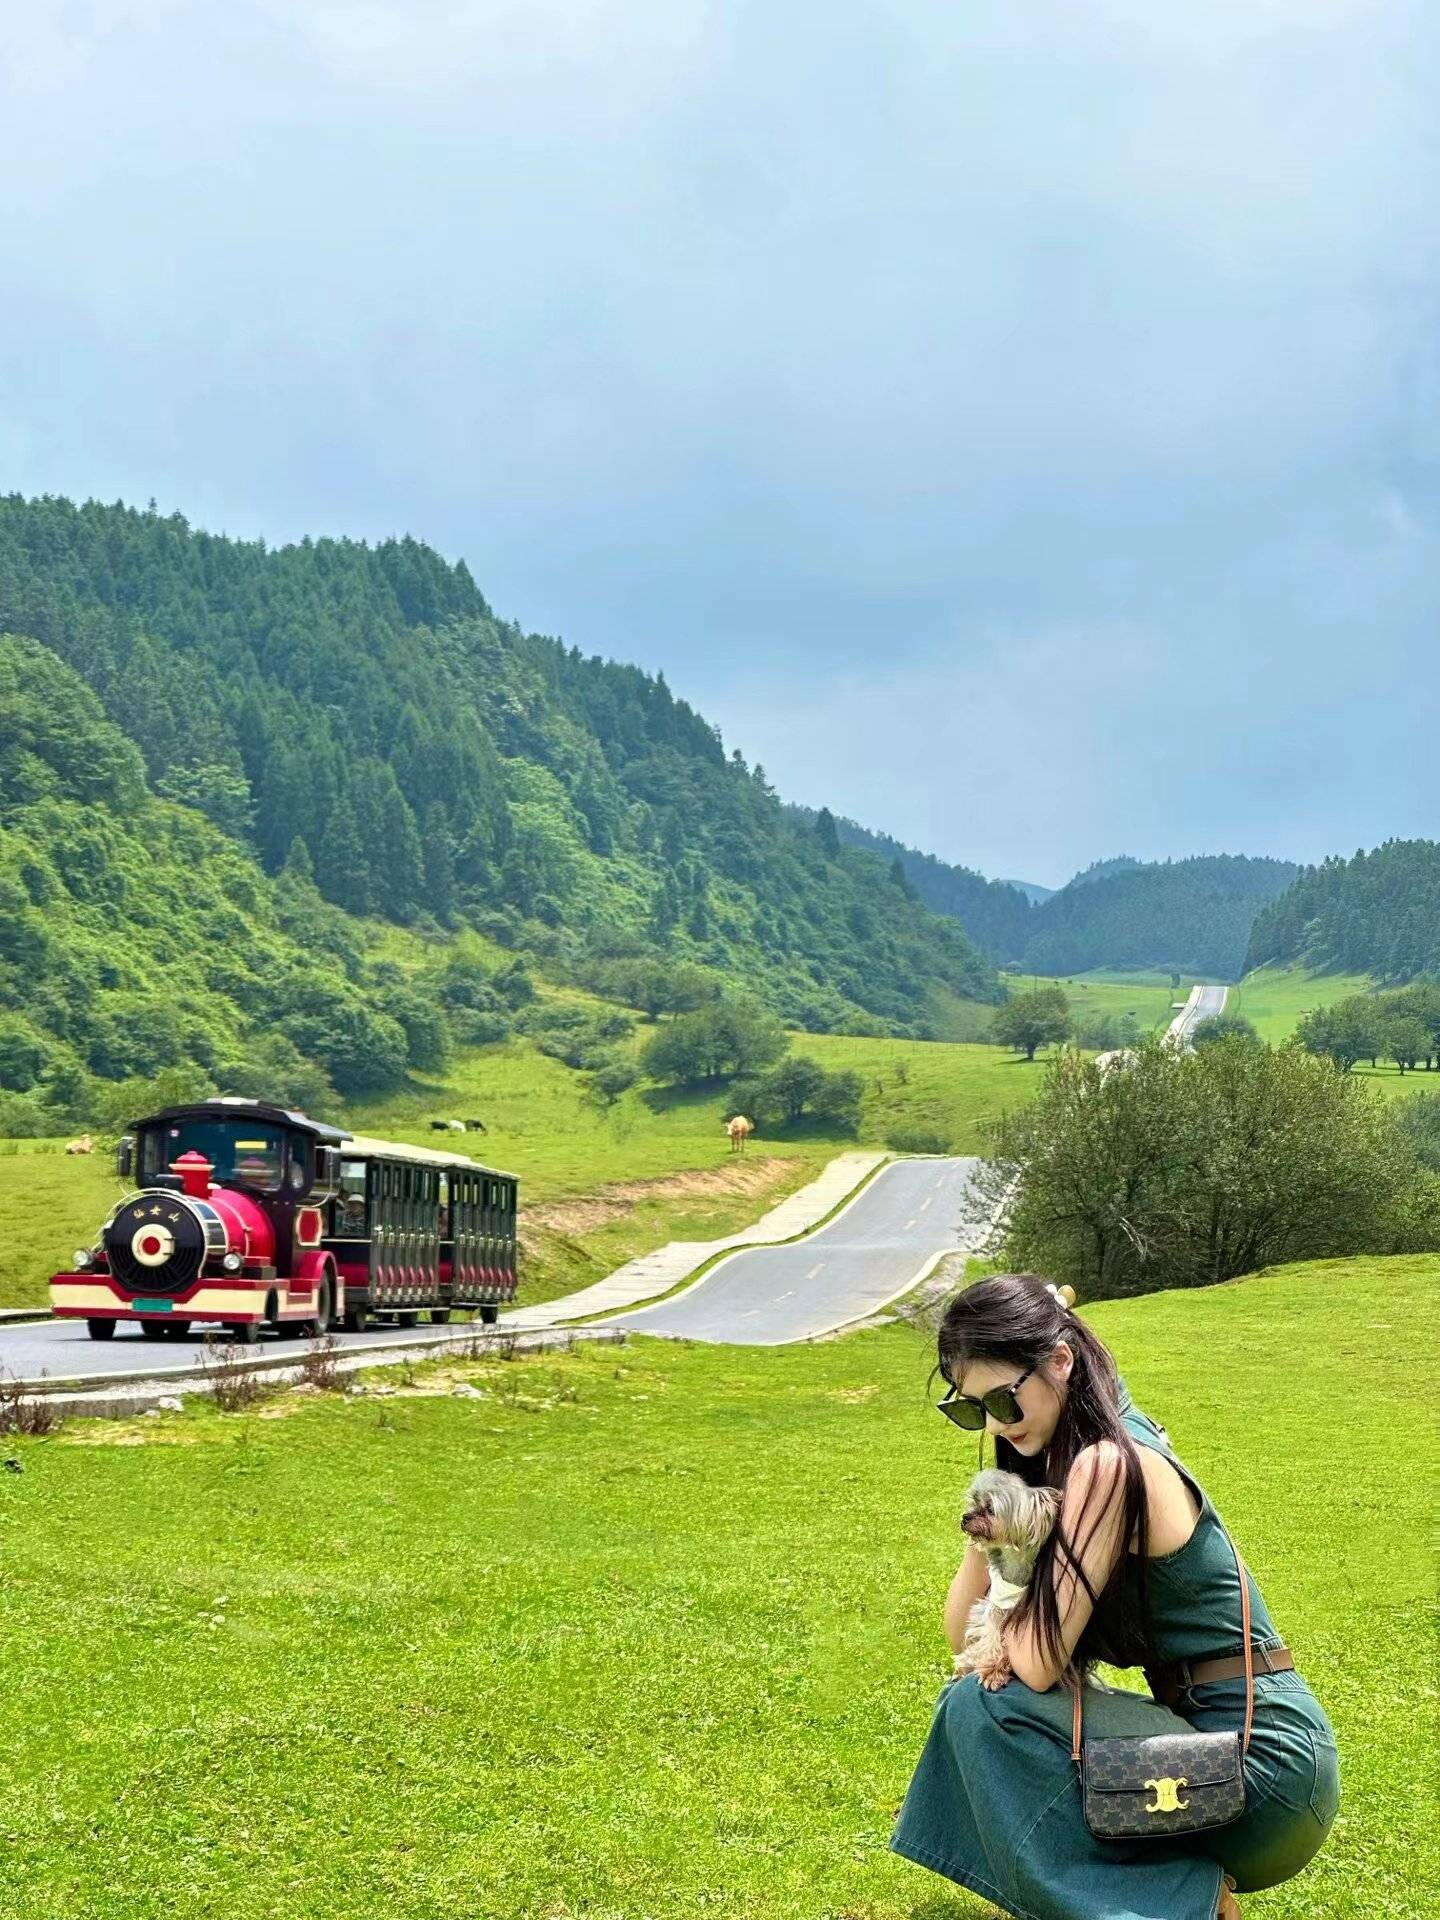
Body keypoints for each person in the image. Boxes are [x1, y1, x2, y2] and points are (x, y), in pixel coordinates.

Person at [889, 1272, 1340, 1920]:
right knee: (974, 1702)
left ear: (1060, 1362)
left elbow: (1037, 1664)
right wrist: (988, 1530)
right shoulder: (1066, 1466)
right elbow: (965, 1636)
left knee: (988, 1709)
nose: (993, 1423)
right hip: (1202, 1755)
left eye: (1005, 1402)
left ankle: (1181, 1901)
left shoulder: (1107, 1465)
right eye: (971, 1410)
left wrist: (1018, 1549)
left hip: (1262, 1769)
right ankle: (1168, 1897)